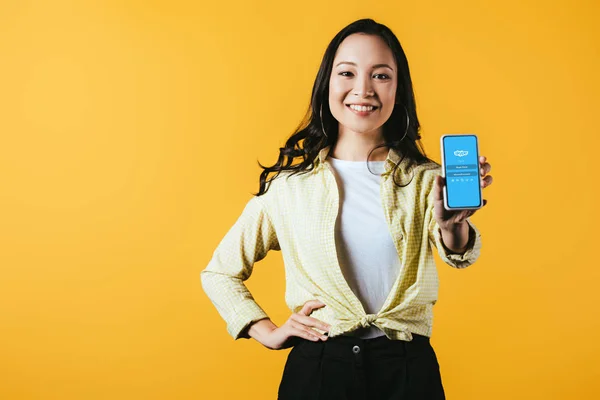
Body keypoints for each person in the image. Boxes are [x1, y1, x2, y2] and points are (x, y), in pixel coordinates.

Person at [201, 18, 493, 400]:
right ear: (328, 85)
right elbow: (219, 273)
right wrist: (266, 331)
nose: (363, 89)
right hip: (319, 368)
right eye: (347, 73)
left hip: (407, 369)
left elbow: (456, 252)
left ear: (398, 89)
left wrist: (453, 224)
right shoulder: (289, 188)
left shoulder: (426, 179)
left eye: (381, 76)